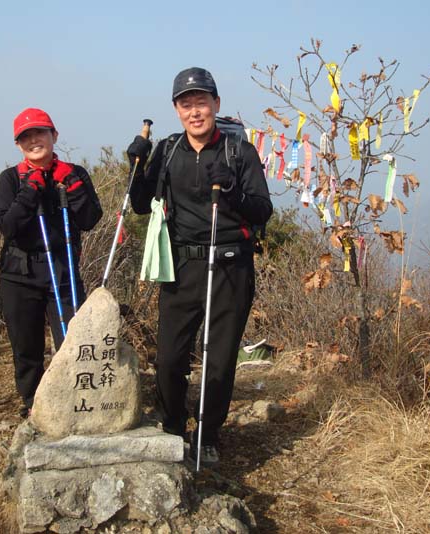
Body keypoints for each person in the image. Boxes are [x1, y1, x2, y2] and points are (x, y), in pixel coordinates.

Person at [126, 67, 273, 464]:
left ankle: (208, 433)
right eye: (186, 104)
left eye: (202, 102)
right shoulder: (168, 150)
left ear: (216, 104)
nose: (195, 111)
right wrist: (137, 166)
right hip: (182, 266)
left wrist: (232, 190)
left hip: (230, 267)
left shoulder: (238, 152)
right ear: (177, 110)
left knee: (219, 361)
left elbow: (263, 209)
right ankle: (173, 425)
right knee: (170, 358)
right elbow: (141, 205)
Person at [0, 108, 102, 417]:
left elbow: (90, 219)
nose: (33, 140)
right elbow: (8, 227)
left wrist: (72, 185)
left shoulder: (74, 173)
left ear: (54, 136)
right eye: (25, 137)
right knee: (26, 345)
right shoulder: (11, 179)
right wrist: (30, 190)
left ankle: (76, 398)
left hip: (63, 268)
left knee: (72, 339)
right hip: (19, 273)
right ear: (18, 144)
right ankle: (33, 403)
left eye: (40, 133)